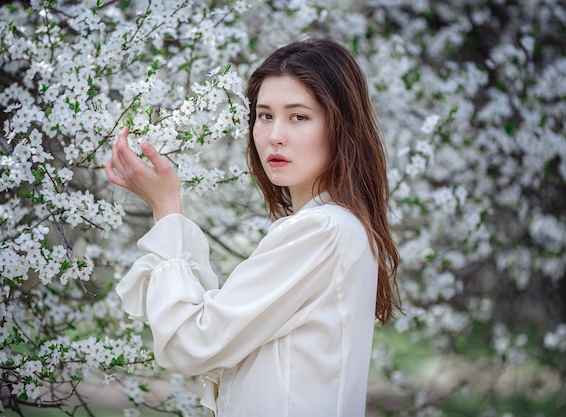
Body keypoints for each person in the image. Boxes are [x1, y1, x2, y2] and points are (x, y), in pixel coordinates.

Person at [107, 38, 400, 417]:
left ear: (340, 126)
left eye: (299, 116)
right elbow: (225, 330)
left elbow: (191, 341)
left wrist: (166, 208)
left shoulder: (324, 231)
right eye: (264, 115)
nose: (275, 134)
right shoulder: (338, 227)